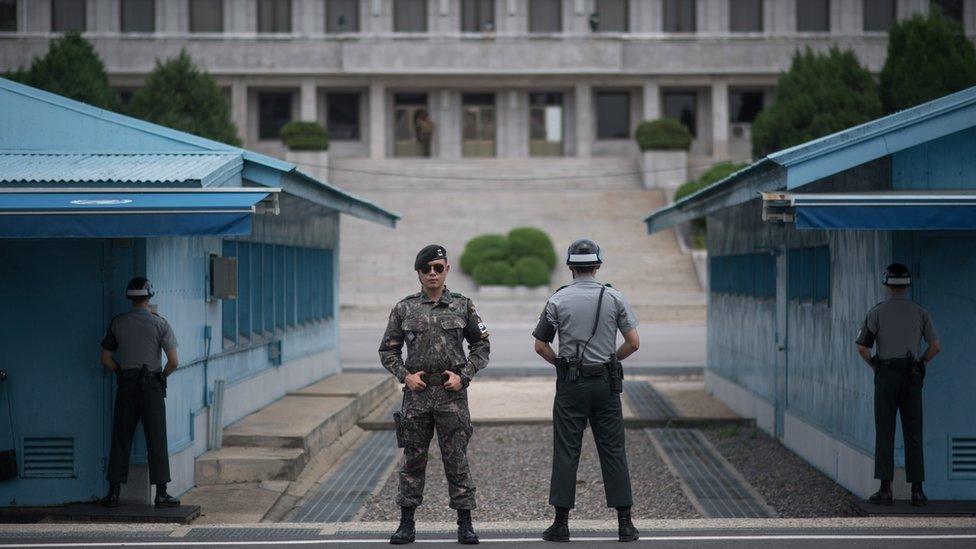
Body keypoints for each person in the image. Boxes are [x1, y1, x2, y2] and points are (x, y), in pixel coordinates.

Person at [379, 245, 490, 545]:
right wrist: (405, 375)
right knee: (413, 460)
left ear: (447, 270)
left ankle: (465, 524)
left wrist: (463, 376)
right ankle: (406, 524)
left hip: (451, 395)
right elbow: (387, 350)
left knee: (456, 459)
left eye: (438, 268)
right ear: (418, 272)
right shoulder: (404, 308)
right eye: (426, 268)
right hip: (417, 396)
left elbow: (482, 347)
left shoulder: (463, 306)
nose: (432, 273)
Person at [532, 239, 640, 542]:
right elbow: (633, 343)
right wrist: (610, 361)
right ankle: (625, 524)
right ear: (598, 265)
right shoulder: (614, 297)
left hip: (571, 385)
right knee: (613, 449)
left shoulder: (558, 300)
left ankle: (561, 524)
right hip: (606, 384)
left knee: (567, 451)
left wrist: (561, 365)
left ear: (570, 266)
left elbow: (541, 345)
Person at [856, 263, 941, 507]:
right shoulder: (920, 312)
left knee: (886, 431)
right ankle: (917, 490)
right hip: (912, 376)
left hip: (886, 376)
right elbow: (936, 347)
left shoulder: (877, 312)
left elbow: (862, 347)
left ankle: (885, 489)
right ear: (907, 284)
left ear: (886, 283)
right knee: (913, 432)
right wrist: (920, 363)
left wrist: (875, 365)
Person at [99, 277, 181, 509]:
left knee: (121, 437)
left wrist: (120, 372)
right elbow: (174, 361)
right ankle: (161, 494)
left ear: (129, 298)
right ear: (149, 296)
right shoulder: (160, 324)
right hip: (151, 387)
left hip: (127, 385)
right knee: (156, 438)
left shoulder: (118, 323)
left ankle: (114, 493)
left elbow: (105, 358)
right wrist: (161, 377)